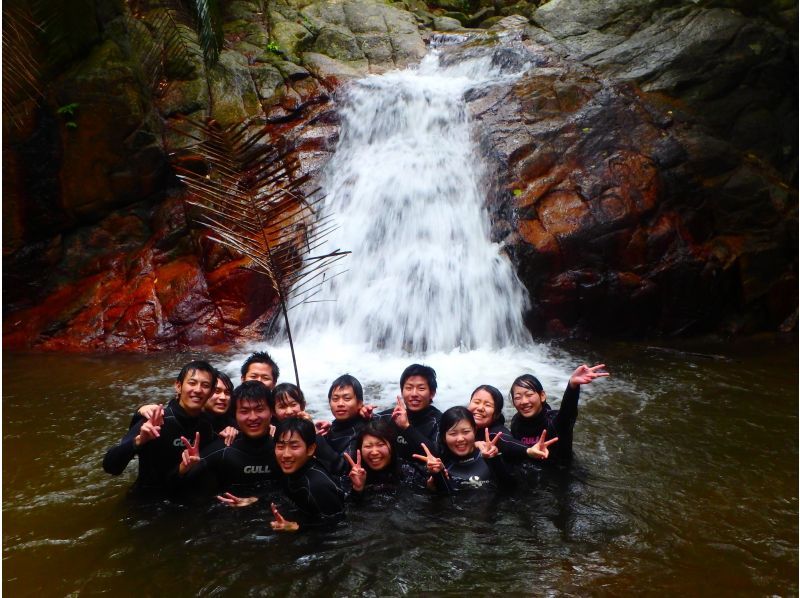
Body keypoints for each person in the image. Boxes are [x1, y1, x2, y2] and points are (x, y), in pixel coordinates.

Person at [102, 360, 217, 491]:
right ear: (178, 386)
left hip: (184, 499)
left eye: (205, 385)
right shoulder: (157, 419)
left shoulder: (208, 426)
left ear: (212, 392)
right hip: (146, 502)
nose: (198, 390)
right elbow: (110, 467)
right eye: (192, 383)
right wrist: (138, 441)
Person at [177, 381, 279, 505]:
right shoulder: (222, 451)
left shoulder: (285, 450)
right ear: (234, 414)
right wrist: (183, 469)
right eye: (244, 411)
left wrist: (255, 500)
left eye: (259, 409)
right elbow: (178, 489)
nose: (252, 417)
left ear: (272, 411)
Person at [509, 364, 608, 463]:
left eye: (529, 395)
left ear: (542, 396)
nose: (524, 401)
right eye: (518, 398)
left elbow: (568, 413)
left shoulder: (554, 421)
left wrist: (572, 385)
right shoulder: (516, 422)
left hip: (560, 473)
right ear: (513, 402)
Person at [413, 406, 515, 493]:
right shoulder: (440, 465)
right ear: (444, 437)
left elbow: (509, 488)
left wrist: (494, 460)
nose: (460, 439)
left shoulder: (488, 455)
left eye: (466, 432)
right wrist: (438, 476)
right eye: (453, 434)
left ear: (474, 431)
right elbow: (446, 500)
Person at [269, 417, 346, 532]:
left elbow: (337, 527)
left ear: (310, 449)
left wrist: (295, 527)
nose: (285, 454)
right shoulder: (288, 468)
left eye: (294, 446)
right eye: (280, 446)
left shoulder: (318, 486)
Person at [468, 385, 556, 462]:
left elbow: (507, 441)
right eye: (476, 402)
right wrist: (473, 444)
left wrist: (528, 451)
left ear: (497, 414)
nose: (480, 408)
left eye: (487, 405)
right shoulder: (459, 421)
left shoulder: (495, 432)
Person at [344, 419, 423, 497]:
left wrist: (434, 478)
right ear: (360, 449)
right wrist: (357, 489)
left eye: (380, 445)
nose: (374, 452)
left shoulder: (408, 472)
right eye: (368, 446)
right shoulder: (352, 476)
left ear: (392, 446)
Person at [378, 364, 442, 454]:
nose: (414, 394)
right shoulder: (389, 417)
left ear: (432, 393)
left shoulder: (440, 421)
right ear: (402, 391)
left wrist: (407, 428)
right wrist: (361, 414)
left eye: (421, 388)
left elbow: (436, 454)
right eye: (409, 388)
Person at [314, 374, 367, 476]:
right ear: (329, 402)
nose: (340, 404)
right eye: (335, 399)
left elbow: (342, 469)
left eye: (347, 398)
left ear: (360, 403)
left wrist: (317, 438)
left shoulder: (364, 431)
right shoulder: (331, 427)